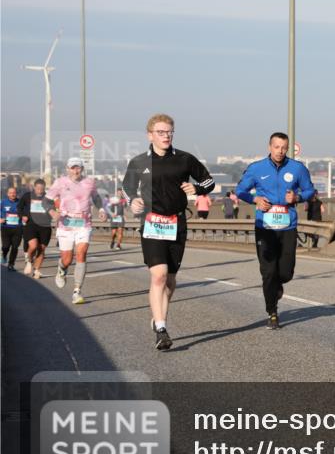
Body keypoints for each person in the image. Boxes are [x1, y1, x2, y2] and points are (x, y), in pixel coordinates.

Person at [123, 113, 216, 350]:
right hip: (152, 223)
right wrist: (133, 201)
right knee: (159, 275)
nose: (166, 136)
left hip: (177, 224)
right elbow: (128, 188)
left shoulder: (185, 159)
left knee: (171, 281)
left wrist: (195, 187)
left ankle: (158, 315)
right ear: (150, 135)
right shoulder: (138, 162)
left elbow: (209, 182)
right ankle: (162, 329)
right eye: (161, 132)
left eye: (169, 132)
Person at [236, 132, 316, 330]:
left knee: (286, 272)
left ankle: (277, 287)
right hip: (265, 227)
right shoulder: (256, 168)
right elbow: (240, 191)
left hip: (288, 226)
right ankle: (272, 311)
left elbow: (310, 191)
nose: (280, 151)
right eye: (276, 147)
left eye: (283, 147)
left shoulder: (297, 168)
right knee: (268, 271)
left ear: (287, 148)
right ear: (269, 147)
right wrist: (255, 200)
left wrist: (296, 198)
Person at [47, 157, 107, 304]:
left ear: (82, 169)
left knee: (82, 253)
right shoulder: (60, 182)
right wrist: (52, 212)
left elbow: (96, 198)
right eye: (73, 167)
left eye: (78, 167)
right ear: (68, 168)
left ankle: (77, 291)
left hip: (83, 224)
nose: (76, 170)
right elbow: (46, 200)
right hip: (66, 225)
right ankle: (62, 270)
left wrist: (101, 209)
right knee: (67, 259)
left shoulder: (89, 183)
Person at [18, 179, 53, 278]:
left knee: (41, 249)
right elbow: (19, 207)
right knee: (33, 246)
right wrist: (22, 216)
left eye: (42, 189)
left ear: (44, 188)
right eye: (38, 188)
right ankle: (29, 261)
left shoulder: (49, 198)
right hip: (31, 225)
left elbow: (54, 209)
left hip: (45, 226)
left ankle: (37, 270)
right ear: (34, 187)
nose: (40, 191)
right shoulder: (27, 196)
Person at [2, 187, 22, 271]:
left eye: (14, 193)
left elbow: (25, 211)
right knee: (6, 246)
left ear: (16, 193)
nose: (12, 194)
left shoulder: (20, 202)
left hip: (18, 228)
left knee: (15, 247)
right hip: (6, 227)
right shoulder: (3, 202)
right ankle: (4, 255)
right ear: (7, 194)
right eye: (10, 193)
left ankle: (11, 264)